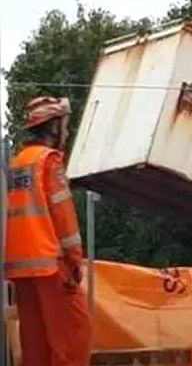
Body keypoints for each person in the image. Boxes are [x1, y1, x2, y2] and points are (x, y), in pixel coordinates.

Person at [5, 96, 92, 366]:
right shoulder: (49, 161)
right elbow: (63, 216)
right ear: (53, 127)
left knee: (36, 344)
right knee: (73, 335)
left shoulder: (17, 163)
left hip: (19, 267)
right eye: (64, 124)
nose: (67, 130)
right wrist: (75, 260)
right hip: (51, 263)